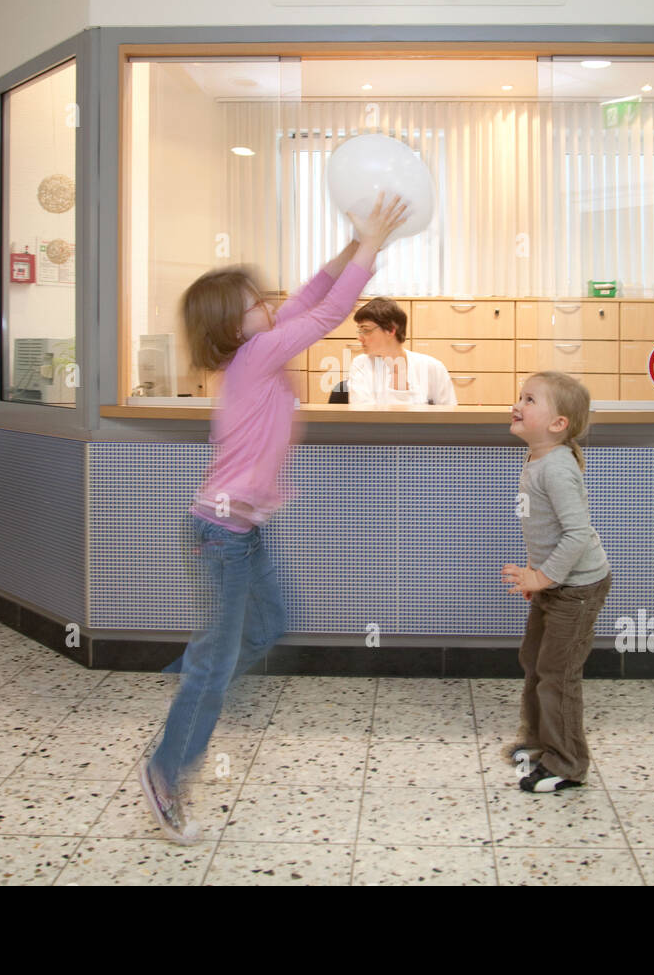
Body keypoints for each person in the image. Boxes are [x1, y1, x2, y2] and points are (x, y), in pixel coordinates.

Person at [139, 192, 409, 843]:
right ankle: (168, 772)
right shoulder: (255, 356)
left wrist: (353, 243)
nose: (270, 303)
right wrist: (372, 247)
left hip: (237, 530)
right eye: (256, 301)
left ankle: (191, 674)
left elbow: (315, 292)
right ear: (236, 327)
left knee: (269, 625)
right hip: (221, 536)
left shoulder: (256, 344)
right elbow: (332, 312)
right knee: (218, 662)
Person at [500, 371, 613, 793]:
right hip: (555, 583)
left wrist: (544, 576)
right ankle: (538, 741)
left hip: (578, 588)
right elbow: (540, 529)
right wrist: (537, 576)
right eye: (520, 397)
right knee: (534, 660)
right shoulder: (537, 458)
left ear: (558, 424)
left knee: (557, 673)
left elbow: (577, 533)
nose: (517, 404)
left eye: (530, 399)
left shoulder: (558, 468)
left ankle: (566, 762)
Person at [345, 298, 458, 406]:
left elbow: (450, 416)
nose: (360, 337)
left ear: (390, 330)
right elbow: (363, 416)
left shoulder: (432, 367)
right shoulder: (361, 365)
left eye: (366, 330)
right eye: (359, 331)